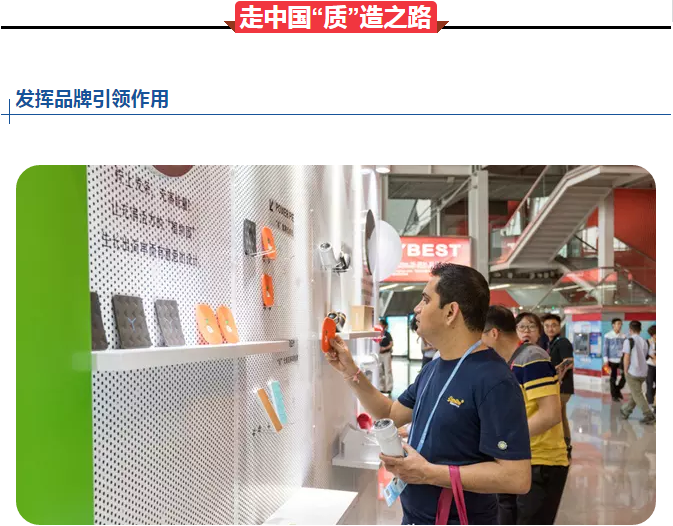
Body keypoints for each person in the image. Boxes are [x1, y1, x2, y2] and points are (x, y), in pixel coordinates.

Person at [324, 263, 532, 525]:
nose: (416, 308)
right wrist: (350, 370)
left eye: (425, 299)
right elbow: (390, 413)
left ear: (451, 312)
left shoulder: (494, 380)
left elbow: (516, 477)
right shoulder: (434, 368)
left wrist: (429, 473)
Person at [482, 306, 569, 525]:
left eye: (479, 335)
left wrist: (505, 440)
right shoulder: (505, 363)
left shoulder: (532, 358)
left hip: (541, 462)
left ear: (494, 333)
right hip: (512, 460)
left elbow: (550, 414)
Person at [541, 314, 574, 459]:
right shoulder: (550, 343)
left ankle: (561, 445)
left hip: (562, 386)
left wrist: (556, 375)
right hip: (556, 386)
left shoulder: (562, 342)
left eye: (553, 325)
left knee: (555, 417)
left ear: (559, 326)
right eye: (547, 326)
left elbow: (569, 361)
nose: (550, 328)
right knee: (561, 416)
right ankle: (566, 445)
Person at [620, 321, 656, 424]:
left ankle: (649, 415)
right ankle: (626, 411)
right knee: (636, 393)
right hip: (644, 372)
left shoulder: (628, 341)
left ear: (630, 330)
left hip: (633, 372)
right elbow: (651, 355)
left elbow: (626, 357)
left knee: (637, 394)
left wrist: (625, 371)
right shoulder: (645, 341)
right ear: (640, 330)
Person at [604, 318, 627, 402]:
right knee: (613, 378)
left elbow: (625, 349)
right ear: (613, 325)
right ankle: (614, 396)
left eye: (621, 324)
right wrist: (606, 360)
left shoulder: (623, 336)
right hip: (612, 360)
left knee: (625, 377)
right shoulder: (608, 335)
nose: (620, 325)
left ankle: (617, 390)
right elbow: (605, 348)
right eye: (618, 324)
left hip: (621, 360)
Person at [379, 318, 394, 394]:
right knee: (380, 371)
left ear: (384, 325)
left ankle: (389, 388)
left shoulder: (387, 334)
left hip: (386, 354)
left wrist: (385, 348)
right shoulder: (377, 334)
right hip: (379, 354)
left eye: (380, 324)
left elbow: (391, 344)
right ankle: (381, 387)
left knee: (387, 370)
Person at [646, 325, 656, 412]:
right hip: (650, 366)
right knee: (650, 384)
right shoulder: (648, 342)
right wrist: (655, 359)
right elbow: (649, 353)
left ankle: (653, 401)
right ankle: (650, 404)